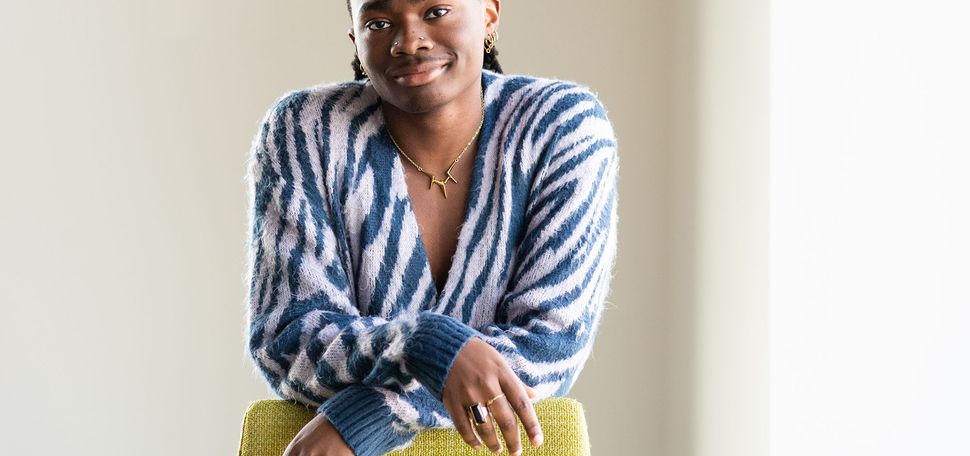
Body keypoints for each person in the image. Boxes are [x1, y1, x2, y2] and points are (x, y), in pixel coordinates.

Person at [244, 0, 619, 454]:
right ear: (355, 37)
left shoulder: (561, 129)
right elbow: (287, 340)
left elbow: (549, 346)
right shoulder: (307, 132)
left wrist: (373, 415)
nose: (409, 42)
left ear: (489, 13)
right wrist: (421, 341)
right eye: (379, 22)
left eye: (436, 11)